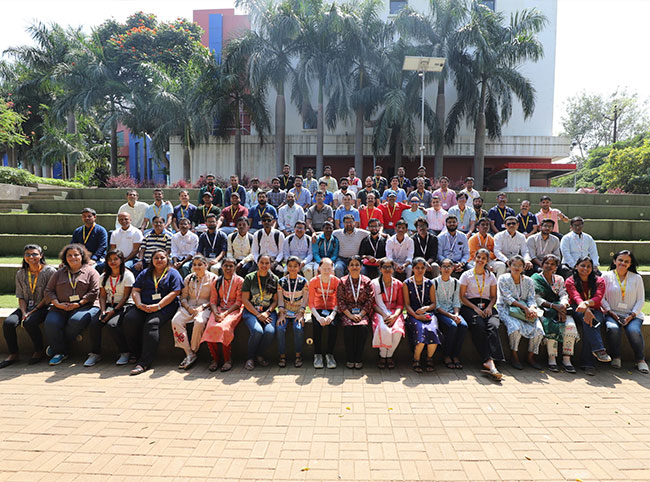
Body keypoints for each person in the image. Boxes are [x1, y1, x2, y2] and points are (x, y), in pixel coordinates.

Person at [123, 249, 183, 375]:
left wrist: (158, 306)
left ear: (167, 259)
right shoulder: (145, 273)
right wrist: (138, 304)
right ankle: (136, 353)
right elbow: (136, 290)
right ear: (152, 260)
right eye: (156, 258)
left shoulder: (173, 273)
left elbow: (175, 292)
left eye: (162, 258)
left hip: (165, 306)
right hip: (143, 305)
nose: (159, 260)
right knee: (129, 319)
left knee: (152, 323)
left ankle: (144, 363)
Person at [43, 244, 101, 366]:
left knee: (76, 320)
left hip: (85, 306)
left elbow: (94, 291)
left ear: (82, 256)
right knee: (51, 322)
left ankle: (57, 346)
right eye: (69, 255)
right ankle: (61, 352)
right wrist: (57, 304)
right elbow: (49, 290)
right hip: (60, 307)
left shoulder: (91, 272)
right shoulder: (59, 273)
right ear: (65, 257)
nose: (73, 257)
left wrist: (79, 303)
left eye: (76, 255)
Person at [0, 245, 56, 368]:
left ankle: (38, 351)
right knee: (9, 323)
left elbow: (48, 296)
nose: (31, 257)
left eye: (35, 254)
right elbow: (20, 296)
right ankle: (13, 354)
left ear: (41, 255)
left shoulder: (50, 271)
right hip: (26, 306)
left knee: (29, 322)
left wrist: (34, 310)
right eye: (28, 254)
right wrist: (24, 312)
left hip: (44, 307)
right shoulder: (21, 273)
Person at [459, 248, 504, 381]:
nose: (480, 260)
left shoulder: (491, 276)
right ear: (474, 258)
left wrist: (490, 307)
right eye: (478, 257)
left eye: (484, 258)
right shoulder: (466, 275)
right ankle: (488, 360)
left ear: (487, 261)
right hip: (470, 305)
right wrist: (475, 308)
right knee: (478, 325)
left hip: (487, 305)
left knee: (493, 325)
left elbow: (494, 296)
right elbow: (462, 297)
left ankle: (495, 359)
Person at [85, 249, 135, 367]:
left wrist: (113, 312)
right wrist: (103, 311)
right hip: (108, 305)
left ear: (121, 260)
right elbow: (102, 295)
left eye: (116, 259)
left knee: (112, 324)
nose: (113, 262)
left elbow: (126, 296)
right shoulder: (103, 276)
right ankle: (95, 353)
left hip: (123, 305)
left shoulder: (128, 275)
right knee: (94, 323)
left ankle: (124, 352)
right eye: (110, 260)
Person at [531, 254, 579, 373]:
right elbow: (537, 299)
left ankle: (566, 359)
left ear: (556, 267)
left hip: (561, 308)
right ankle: (552, 358)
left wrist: (562, 306)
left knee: (570, 327)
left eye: (552, 264)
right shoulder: (535, 278)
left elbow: (564, 294)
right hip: (544, 310)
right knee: (551, 325)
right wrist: (554, 307)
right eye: (547, 263)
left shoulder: (559, 279)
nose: (549, 266)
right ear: (542, 265)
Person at [602, 250, 648, 373]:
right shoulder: (606, 276)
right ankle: (616, 357)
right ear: (614, 261)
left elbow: (640, 299)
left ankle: (640, 360)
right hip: (611, 313)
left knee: (634, 331)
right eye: (620, 260)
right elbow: (601, 298)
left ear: (630, 263)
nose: (623, 263)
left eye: (626, 261)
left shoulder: (636, 278)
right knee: (613, 328)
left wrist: (632, 315)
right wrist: (610, 311)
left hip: (632, 314)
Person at [497, 255, 545, 370]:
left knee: (538, 329)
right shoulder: (503, 278)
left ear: (524, 267)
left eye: (520, 265)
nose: (516, 267)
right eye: (514, 265)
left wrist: (532, 308)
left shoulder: (528, 281)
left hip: (526, 309)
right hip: (507, 308)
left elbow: (531, 298)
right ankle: (514, 356)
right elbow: (507, 298)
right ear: (509, 265)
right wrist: (525, 308)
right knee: (515, 328)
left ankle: (530, 357)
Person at [565, 256, 611, 376]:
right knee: (590, 321)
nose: (585, 268)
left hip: (595, 309)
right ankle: (596, 353)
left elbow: (598, 298)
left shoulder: (599, 281)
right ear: (576, 266)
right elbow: (575, 296)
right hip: (577, 308)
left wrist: (587, 305)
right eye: (582, 265)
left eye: (588, 266)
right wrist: (585, 308)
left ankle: (588, 362)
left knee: (590, 323)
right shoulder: (570, 280)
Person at [171, 255, 216, 370]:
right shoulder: (189, 278)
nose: (197, 267)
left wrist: (202, 307)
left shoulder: (213, 278)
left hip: (205, 307)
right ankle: (188, 353)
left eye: (200, 264)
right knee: (176, 321)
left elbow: (214, 299)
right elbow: (183, 296)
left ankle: (193, 350)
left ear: (206, 265)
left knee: (199, 322)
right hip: (188, 306)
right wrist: (187, 307)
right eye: (194, 265)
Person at [202, 257, 244, 372]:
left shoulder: (240, 281)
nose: (228, 268)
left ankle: (227, 359)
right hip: (219, 309)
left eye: (231, 266)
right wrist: (216, 313)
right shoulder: (216, 281)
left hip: (233, 310)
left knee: (224, 328)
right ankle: (215, 359)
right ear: (222, 267)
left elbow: (238, 302)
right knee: (209, 327)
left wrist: (225, 314)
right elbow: (213, 301)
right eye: (226, 266)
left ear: (235, 267)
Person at [241, 255, 279, 370]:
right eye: (261, 262)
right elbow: (245, 299)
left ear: (270, 264)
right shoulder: (250, 278)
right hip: (251, 311)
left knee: (270, 331)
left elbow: (276, 300)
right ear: (257, 263)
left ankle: (259, 354)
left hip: (268, 311)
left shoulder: (274, 279)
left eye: (267, 263)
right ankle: (250, 358)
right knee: (257, 331)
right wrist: (258, 314)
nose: (264, 265)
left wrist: (267, 312)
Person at [403, 258, 441, 373]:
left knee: (433, 330)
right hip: (413, 314)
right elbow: (407, 305)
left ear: (426, 269)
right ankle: (416, 358)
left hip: (427, 313)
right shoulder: (407, 283)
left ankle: (429, 358)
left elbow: (434, 303)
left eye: (422, 268)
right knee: (421, 330)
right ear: (413, 269)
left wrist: (427, 308)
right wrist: (416, 315)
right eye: (417, 268)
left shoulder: (430, 283)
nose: (420, 270)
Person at [336, 256, 374, 369]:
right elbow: (340, 301)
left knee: (362, 328)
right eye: (352, 265)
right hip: (347, 313)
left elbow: (370, 300)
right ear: (347, 267)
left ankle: (358, 358)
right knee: (349, 328)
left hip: (362, 312)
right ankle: (350, 358)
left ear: (361, 267)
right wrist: (350, 315)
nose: (354, 267)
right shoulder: (342, 281)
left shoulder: (367, 281)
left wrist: (361, 314)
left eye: (357, 265)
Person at [434, 259, 469, 370]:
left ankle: (455, 354)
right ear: (440, 268)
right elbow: (436, 306)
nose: (446, 269)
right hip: (441, 312)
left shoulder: (455, 282)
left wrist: (457, 314)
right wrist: (451, 317)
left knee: (463, 326)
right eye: (444, 266)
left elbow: (456, 302)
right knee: (452, 326)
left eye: (449, 266)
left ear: (453, 268)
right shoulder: (434, 282)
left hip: (453, 312)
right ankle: (447, 355)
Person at [276, 256, 309, 368]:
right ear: (286, 267)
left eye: (295, 266)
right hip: (285, 312)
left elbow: (305, 300)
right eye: (290, 266)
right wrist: (281, 314)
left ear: (299, 267)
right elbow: (280, 299)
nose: (292, 268)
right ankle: (282, 356)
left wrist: (301, 313)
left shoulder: (304, 281)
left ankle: (298, 355)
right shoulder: (281, 281)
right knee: (280, 328)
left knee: (298, 328)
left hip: (298, 312)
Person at [371, 258, 405, 369]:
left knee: (397, 332)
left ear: (393, 269)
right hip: (380, 312)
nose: (387, 269)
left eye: (389, 267)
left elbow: (400, 304)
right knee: (383, 329)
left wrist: (395, 316)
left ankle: (389, 355)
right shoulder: (374, 284)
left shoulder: (398, 284)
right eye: (384, 267)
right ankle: (382, 355)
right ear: (380, 269)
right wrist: (384, 314)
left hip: (395, 313)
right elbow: (373, 304)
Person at [309, 258, 340, 369]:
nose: (326, 271)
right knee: (317, 326)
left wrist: (332, 316)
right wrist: (318, 317)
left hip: (332, 309)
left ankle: (329, 354)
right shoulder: (313, 281)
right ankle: (317, 355)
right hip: (318, 309)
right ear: (319, 268)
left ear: (332, 268)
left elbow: (338, 301)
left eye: (329, 268)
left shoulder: (336, 281)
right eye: (324, 268)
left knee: (333, 326)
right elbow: (311, 303)